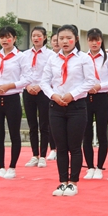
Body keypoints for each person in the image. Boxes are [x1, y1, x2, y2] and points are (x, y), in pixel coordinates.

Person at [41, 24, 97, 196]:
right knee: (61, 146)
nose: (64, 41)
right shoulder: (52, 59)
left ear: (76, 39)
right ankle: (62, 182)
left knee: (74, 146)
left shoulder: (84, 59)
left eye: (68, 38)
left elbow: (90, 81)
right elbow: (44, 81)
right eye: (61, 38)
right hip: (56, 106)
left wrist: (72, 94)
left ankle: (73, 182)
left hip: (76, 107)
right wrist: (54, 95)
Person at [0, 26, 30, 179]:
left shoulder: (21, 57)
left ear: (15, 39)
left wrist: (10, 85)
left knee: (14, 132)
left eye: (8, 37)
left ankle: (12, 167)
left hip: (12, 98)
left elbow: (27, 78)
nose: (4, 40)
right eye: (2, 37)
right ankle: (1, 166)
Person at [83, 28, 108, 180]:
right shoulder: (82, 58)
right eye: (91, 40)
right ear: (87, 41)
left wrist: (99, 86)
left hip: (102, 97)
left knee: (102, 133)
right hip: (85, 98)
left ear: (101, 41)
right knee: (86, 134)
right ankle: (90, 166)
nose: (94, 43)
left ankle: (99, 166)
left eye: (96, 40)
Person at [21, 27, 55, 169]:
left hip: (43, 91)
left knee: (44, 125)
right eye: (33, 36)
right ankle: (34, 154)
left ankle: (42, 155)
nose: (36, 38)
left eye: (39, 36)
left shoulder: (51, 55)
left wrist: (41, 86)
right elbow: (21, 72)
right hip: (28, 90)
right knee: (32, 125)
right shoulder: (25, 55)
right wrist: (28, 85)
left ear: (45, 37)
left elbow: (52, 74)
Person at [47, 31, 60, 161]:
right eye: (54, 40)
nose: (56, 42)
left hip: (64, 95)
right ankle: (53, 148)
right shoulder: (50, 57)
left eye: (58, 40)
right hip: (49, 93)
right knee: (50, 123)